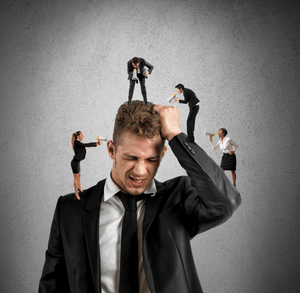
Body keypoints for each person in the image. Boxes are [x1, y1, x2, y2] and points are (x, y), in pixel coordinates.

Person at [39, 101, 241, 293]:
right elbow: (52, 287)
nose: (140, 171)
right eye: (131, 157)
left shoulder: (179, 197)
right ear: (111, 149)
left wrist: (175, 135)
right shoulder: (69, 209)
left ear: (162, 155)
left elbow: (226, 203)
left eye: (151, 159)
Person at [71, 131, 102, 201]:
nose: (83, 136)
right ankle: (76, 194)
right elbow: (86, 145)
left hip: (77, 162)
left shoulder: (78, 143)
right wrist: (96, 144)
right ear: (78, 136)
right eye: (82, 135)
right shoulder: (77, 142)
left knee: (79, 175)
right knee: (76, 178)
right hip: (75, 163)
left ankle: (80, 188)